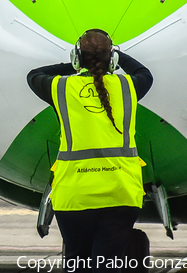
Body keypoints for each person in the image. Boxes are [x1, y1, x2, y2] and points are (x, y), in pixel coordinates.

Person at [27, 29, 153, 272]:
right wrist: (118, 56)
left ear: (78, 57)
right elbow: (144, 74)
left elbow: (34, 75)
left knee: (78, 262)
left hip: (75, 194)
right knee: (107, 264)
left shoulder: (61, 88)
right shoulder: (128, 87)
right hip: (120, 191)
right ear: (112, 59)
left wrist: (74, 65)